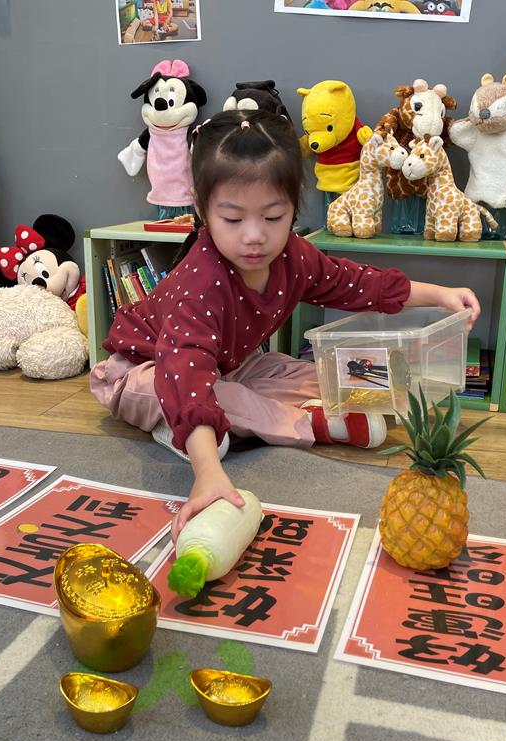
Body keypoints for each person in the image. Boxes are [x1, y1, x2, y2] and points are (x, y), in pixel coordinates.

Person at [90, 109, 480, 540]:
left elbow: (355, 283)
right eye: (233, 219)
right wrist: (208, 473)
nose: (254, 236)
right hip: (142, 372)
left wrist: (440, 294)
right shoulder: (199, 285)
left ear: (294, 206)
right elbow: (184, 371)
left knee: (297, 369)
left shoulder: (293, 256)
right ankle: (296, 425)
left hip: (229, 365)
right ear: (201, 208)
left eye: (273, 217)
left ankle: (260, 416)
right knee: (213, 396)